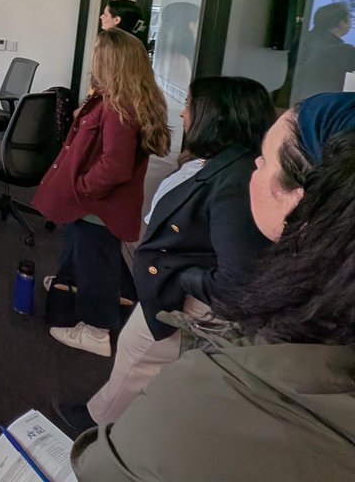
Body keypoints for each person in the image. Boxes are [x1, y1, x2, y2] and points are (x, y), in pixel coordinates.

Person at [71, 93, 355, 481]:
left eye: (266, 160)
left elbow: (101, 470)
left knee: (135, 369)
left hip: (172, 353)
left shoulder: (218, 394)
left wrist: (179, 276)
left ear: (302, 200)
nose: (254, 165)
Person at [56, 76, 275, 433]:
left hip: (184, 295)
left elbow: (238, 276)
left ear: (215, 115)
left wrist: (181, 278)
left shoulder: (235, 181)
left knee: (139, 356)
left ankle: (99, 427)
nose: (184, 112)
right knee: (140, 355)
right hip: (170, 283)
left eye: (191, 105)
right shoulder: (221, 163)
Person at [33, 29, 171, 357]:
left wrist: (82, 188)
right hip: (95, 202)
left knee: (95, 261)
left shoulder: (119, 107)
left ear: (110, 61)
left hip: (98, 204)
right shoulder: (120, 100)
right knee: (80, 249)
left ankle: (96, 330)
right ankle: (70, 283)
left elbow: (116, 166)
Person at [293, 2, 355, 102]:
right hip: (322, 107)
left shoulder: (300, 41)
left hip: (291, 102)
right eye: (350, 19)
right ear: (341, 23)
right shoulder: (343, 51)